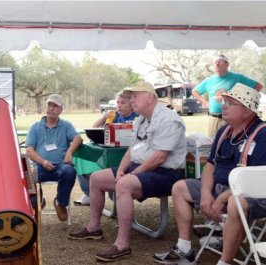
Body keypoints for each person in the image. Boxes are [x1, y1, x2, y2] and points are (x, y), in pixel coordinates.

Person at [68, 81, 187, 262]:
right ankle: (94, 228)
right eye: (130, 97)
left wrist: (132, 175)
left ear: (150, 98)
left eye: (135, 96)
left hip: (165, 173)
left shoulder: (169, 119)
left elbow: (159, 158)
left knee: (124, 184)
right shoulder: (140, 119)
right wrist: (123, 169)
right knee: (96, 178)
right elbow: (132, 150)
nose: (131, 100)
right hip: (141, 168)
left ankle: (122, 245)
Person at [153, 84, 266, 265]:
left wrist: (221, 198)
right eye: (224, 102)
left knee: (235, 203)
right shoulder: (224, 131)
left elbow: (257, 179)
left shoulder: (262, 134)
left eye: (230, 103)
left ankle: (225, 262)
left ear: (246, 111)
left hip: (254, 193)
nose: (224, 106)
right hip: (222, 188)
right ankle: (184, 250)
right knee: (180, 187)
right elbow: (210, 166)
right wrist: (206, 193)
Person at [25, 94, 83, 221]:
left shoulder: (66, 125)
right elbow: (29, 150)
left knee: (69, 171)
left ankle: (60, 203)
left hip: (60, 166)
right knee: (27, 176)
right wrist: (42, 161)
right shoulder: (35, 127)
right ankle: (38, 201)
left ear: (61, 110)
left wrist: (69, 153)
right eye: (49, 105)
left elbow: (78, 138)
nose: (51, 108)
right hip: (39, 166)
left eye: (55, 106)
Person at [75, 90, 138, 206]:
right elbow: (94, 127)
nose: (119, 105)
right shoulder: (115, 116)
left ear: (131, 104)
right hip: (109, 150)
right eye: (118, 102)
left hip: (126, 154)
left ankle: (116, 196)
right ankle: (89, 193)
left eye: (123, 103)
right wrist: (104, 117)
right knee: (82, 158)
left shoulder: (137, 117)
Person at [192, 54, 262, 138]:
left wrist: (246, 102)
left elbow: (258, 86)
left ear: (227, 64)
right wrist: (205, 102)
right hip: (214, 118)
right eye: (215, 63)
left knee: (232, 142)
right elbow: (195, 91)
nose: (217, 64)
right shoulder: (209, 80)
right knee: (212, 143)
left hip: (233, 119)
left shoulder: (237, 77)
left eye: (220, 62)